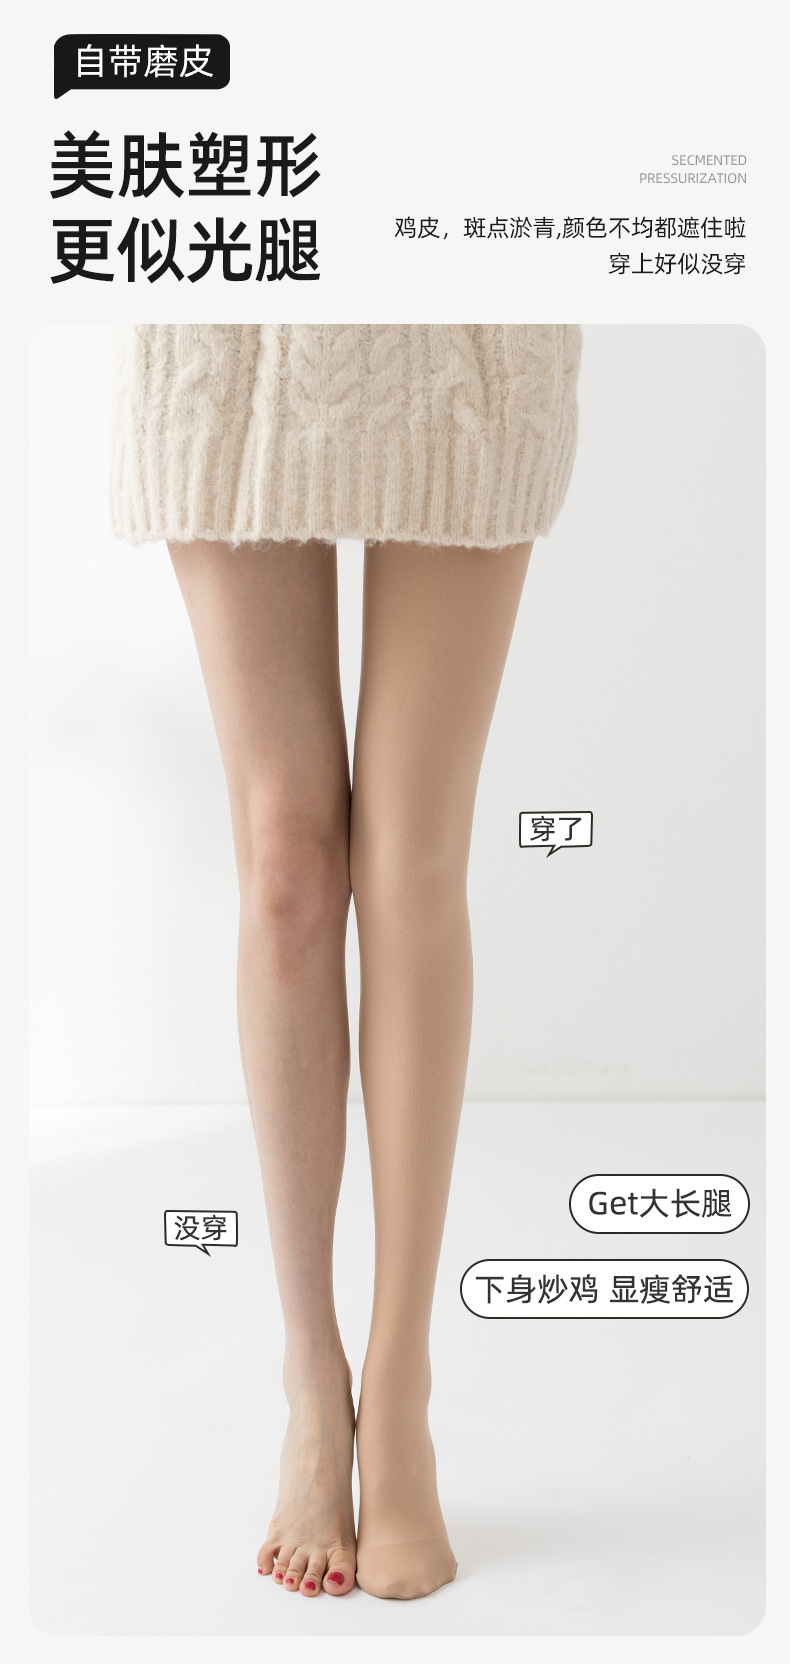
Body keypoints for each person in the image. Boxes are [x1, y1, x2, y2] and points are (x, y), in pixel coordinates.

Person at [110, 323, 582, 1600]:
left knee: (411, 861)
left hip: (460, 308)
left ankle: (401, 1379)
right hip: (240, 295)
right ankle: (311, 1378)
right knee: (285, 869)